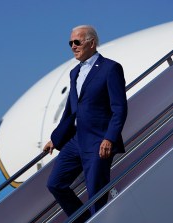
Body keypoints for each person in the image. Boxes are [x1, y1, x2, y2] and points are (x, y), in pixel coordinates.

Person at [44, 25, 128, 222]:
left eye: (77, 42)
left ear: (91, 42)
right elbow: (70, 111)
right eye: (70, 43)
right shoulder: (74, 73)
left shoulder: (110, 68)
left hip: (99, 141)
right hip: (76, 141)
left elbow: (119, 108)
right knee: (55, 183)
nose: (73, 46)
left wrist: (109, 138)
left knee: (96, 194)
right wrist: (55, 139)